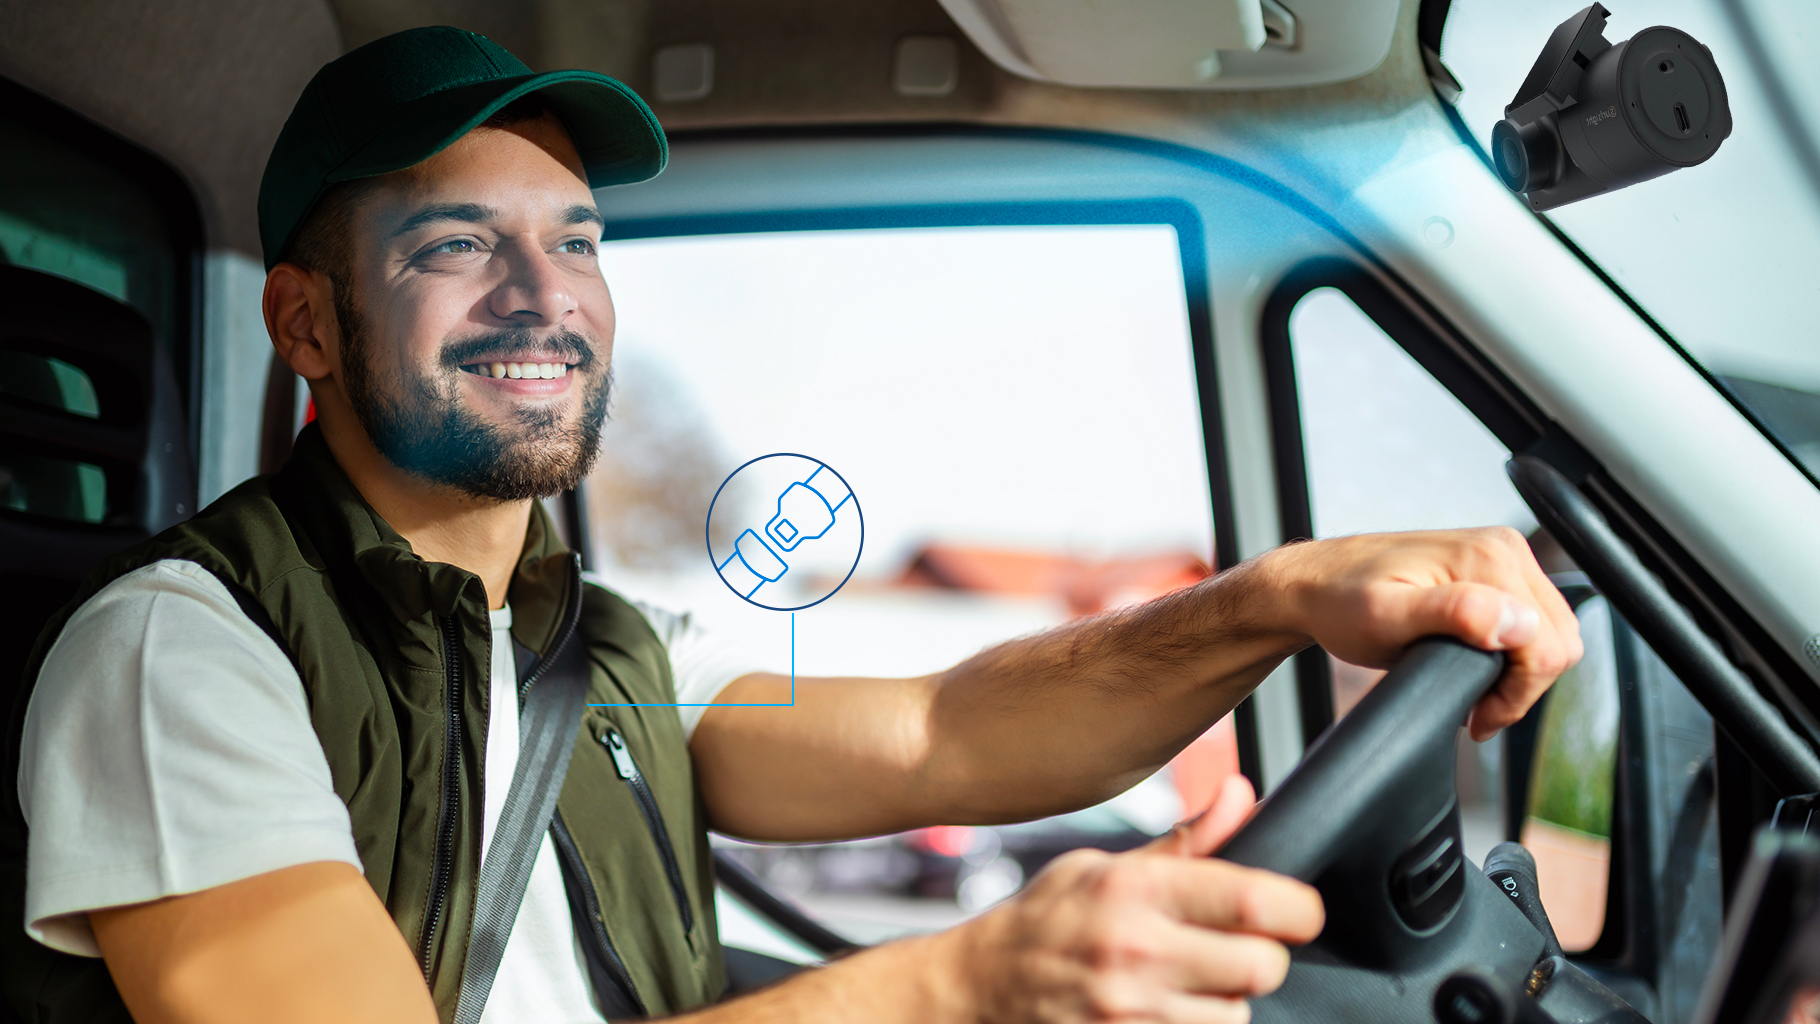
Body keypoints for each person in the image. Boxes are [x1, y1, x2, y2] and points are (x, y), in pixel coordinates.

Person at [0, 26, 1581, 1024]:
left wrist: (1273, 602)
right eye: (457, 245)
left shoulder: (597, 651)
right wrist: (971, 982)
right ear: (308, 326)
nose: (546, 295)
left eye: (576, 242)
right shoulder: (179, 659)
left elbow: (949, 731)